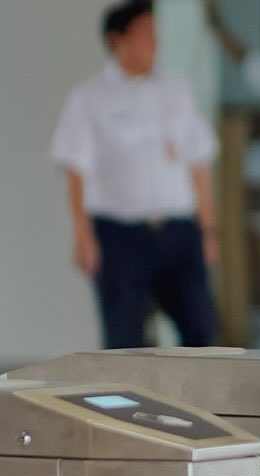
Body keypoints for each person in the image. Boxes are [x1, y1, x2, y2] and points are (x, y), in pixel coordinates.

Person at [51, 0, 219, 349]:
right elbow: (76, 169)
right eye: (145, 34)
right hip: (120, 236)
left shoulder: (176, 91)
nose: (154, 43)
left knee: (202, 330)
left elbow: (199, 163)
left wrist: (208, 230)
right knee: (124, 339)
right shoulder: (89, 98)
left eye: (155, 34)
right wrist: (82, 235)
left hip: (178, 231)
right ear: (118, 40)